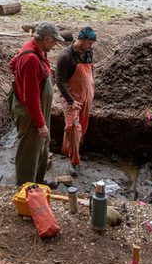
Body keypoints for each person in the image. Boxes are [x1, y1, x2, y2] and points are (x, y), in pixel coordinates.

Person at [9, 22, 63, 185]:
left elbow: (13, 64)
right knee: (29, 152)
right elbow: (31, 98)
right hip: (31, 111)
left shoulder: (36, 49)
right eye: (54, 40)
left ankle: (38, 181)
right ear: (46, 39)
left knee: (42, 145)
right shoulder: (31, 58)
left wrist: (25, 76)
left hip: (39, 109)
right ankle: (26, 187)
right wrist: (40, 124)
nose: (56, 44)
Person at [57, 27, 97, 174]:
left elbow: (90, 71)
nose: (91, 46)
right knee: (73, 128)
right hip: (72, 98)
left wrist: (92, 88)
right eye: (89, 43)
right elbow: (60, 81)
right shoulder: (65, 56)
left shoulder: (88, 52)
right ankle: (73, 161)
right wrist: (70, 101)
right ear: (81, 40)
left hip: (87, 95)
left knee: (83, 126)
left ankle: (73, 150)